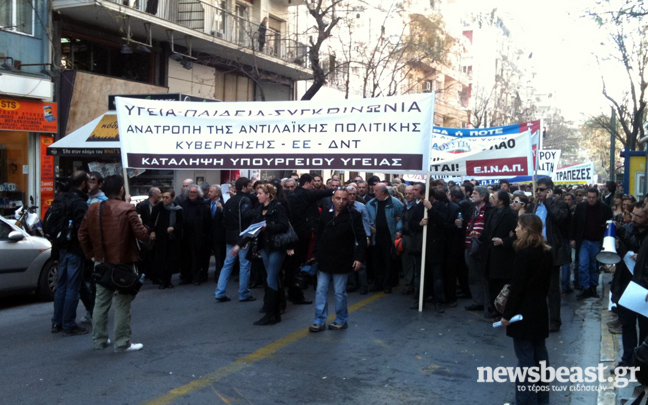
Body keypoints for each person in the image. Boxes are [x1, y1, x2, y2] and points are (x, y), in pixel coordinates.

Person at [78, 174, 150, 352]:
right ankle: (122, 341)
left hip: (101, 262)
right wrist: (144, 225)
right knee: (122, 303)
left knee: (101, 302)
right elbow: (142, 234)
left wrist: (91, 255)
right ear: (121, 189)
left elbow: (82, 234)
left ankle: (99, 340)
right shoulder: (127, 209)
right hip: (123, 262)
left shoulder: (93, 208)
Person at [500, 214, 553, 405]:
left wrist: (507, 315)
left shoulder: (523, 254)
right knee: (540, 359)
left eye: (518, 226)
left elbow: (517, 288)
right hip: (539, 310)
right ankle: (541, 400)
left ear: (526, 230)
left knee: (525, 362)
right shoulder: (546, 252)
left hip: (523, 312)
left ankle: (524, 401)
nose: (515, 229)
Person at [229, 184, 290, 325]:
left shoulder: (278, 207)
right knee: (271, 278)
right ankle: (274, 312)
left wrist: (268, 226)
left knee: (271, 278)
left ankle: (271, 313)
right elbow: (251, 230)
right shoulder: (259, 209)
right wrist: (239, 245)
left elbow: (284, 225)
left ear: (268, 195)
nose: (257, 196)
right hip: (264, 247)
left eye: (260, 193)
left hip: (276, 246)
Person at [309, 188, 366, 332]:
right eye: (338, 198)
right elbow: (319, 235)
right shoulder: (326, 215)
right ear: (333, 199)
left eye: (344, 199)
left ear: (348, 200)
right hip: (324, 259)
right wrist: (315, 254)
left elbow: (361, 238)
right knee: (321, 290)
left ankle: (341, 319)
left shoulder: (354, 215)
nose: (341, 202)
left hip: (343, 259)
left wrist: (359, 258)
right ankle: (319, 321)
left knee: (339, 292)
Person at [526, 178, 570, 332]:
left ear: (550, 190)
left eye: (542, 189)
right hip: (535, 249)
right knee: (536, 286)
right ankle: (539, 318)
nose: (539, 192)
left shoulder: (559, 204)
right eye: (537, 189)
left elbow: (559, 218)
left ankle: (554, 321)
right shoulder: (534, 205)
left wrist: (549, 201)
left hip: (551, 250)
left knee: (552, 288)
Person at [50, 171, 90, 336]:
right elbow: (83, 231)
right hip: (74, 250)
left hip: (61, 249)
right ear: (82, 184)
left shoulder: (60, 199)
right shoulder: (79, 203)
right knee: (72, 287)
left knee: (61, 286)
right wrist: (88, 251)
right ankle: (68, 324)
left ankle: (57, 322)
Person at [215, 177, 257, 303]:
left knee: (227, 264)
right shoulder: (245, 200)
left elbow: (224, 219)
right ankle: (243, 293)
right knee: (244, 265)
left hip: (230, 235)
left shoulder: (230, 201)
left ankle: (220, 291)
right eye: (250, 185)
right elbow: (247, 215)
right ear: (244, 187)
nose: (251, 187)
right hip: (242, 236)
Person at [571, 187, 613, 300]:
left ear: (598, 197)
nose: (591, 200)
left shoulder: (605, 208)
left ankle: (593, 286)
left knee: (594, 265)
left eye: (593, 198)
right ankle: (585, 287)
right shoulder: (581, 207)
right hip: (584, 240)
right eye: (589, 197)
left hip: (597, 241)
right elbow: (574, 223)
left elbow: (610, 224)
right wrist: (573, 238)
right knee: (583, 264)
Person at [366, 183, 403, 294]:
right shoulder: (371, 203)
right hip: (375, 237)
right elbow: (366, 218)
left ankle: (388, 284)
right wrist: (369, 227)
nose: (373, 192)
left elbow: (401, 218)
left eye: (376, 190)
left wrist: (399, 230)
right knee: (377, 261)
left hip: (389, 237)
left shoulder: (395, 203)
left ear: (383, 192)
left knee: (388, 261)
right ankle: (378, 283)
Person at [149, 190, 183, 289]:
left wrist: (174, 228)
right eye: (163, 197)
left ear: (172, 198)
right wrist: (152, 231)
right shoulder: (158, 208)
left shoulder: (178, 209)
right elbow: (151, 221)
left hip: (172, 238)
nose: (164, 199)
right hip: (160, 238)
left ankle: (168, 280)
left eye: (167, 197)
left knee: (171, 260)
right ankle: (162, 281)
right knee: (161, 260)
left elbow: (181, 223)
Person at [179, 185, 211, 285]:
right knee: (185, 257)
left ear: (199, 194)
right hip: (186, 236)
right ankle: (186, 277)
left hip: (199, 236)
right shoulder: (183, 204)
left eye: (194, 192)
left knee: (197, 257)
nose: (192, 194)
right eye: (190, 192)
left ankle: (197, 277)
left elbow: (208, 223)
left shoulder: (204, 206)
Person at [136, 187, 161, 283]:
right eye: (159, 193)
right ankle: (144, 274)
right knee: (145, 255)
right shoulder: (142, 205)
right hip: (145, 235)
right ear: (154, 194)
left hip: (157, 234)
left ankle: (154, 275)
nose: (160, 195)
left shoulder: (159, 205)